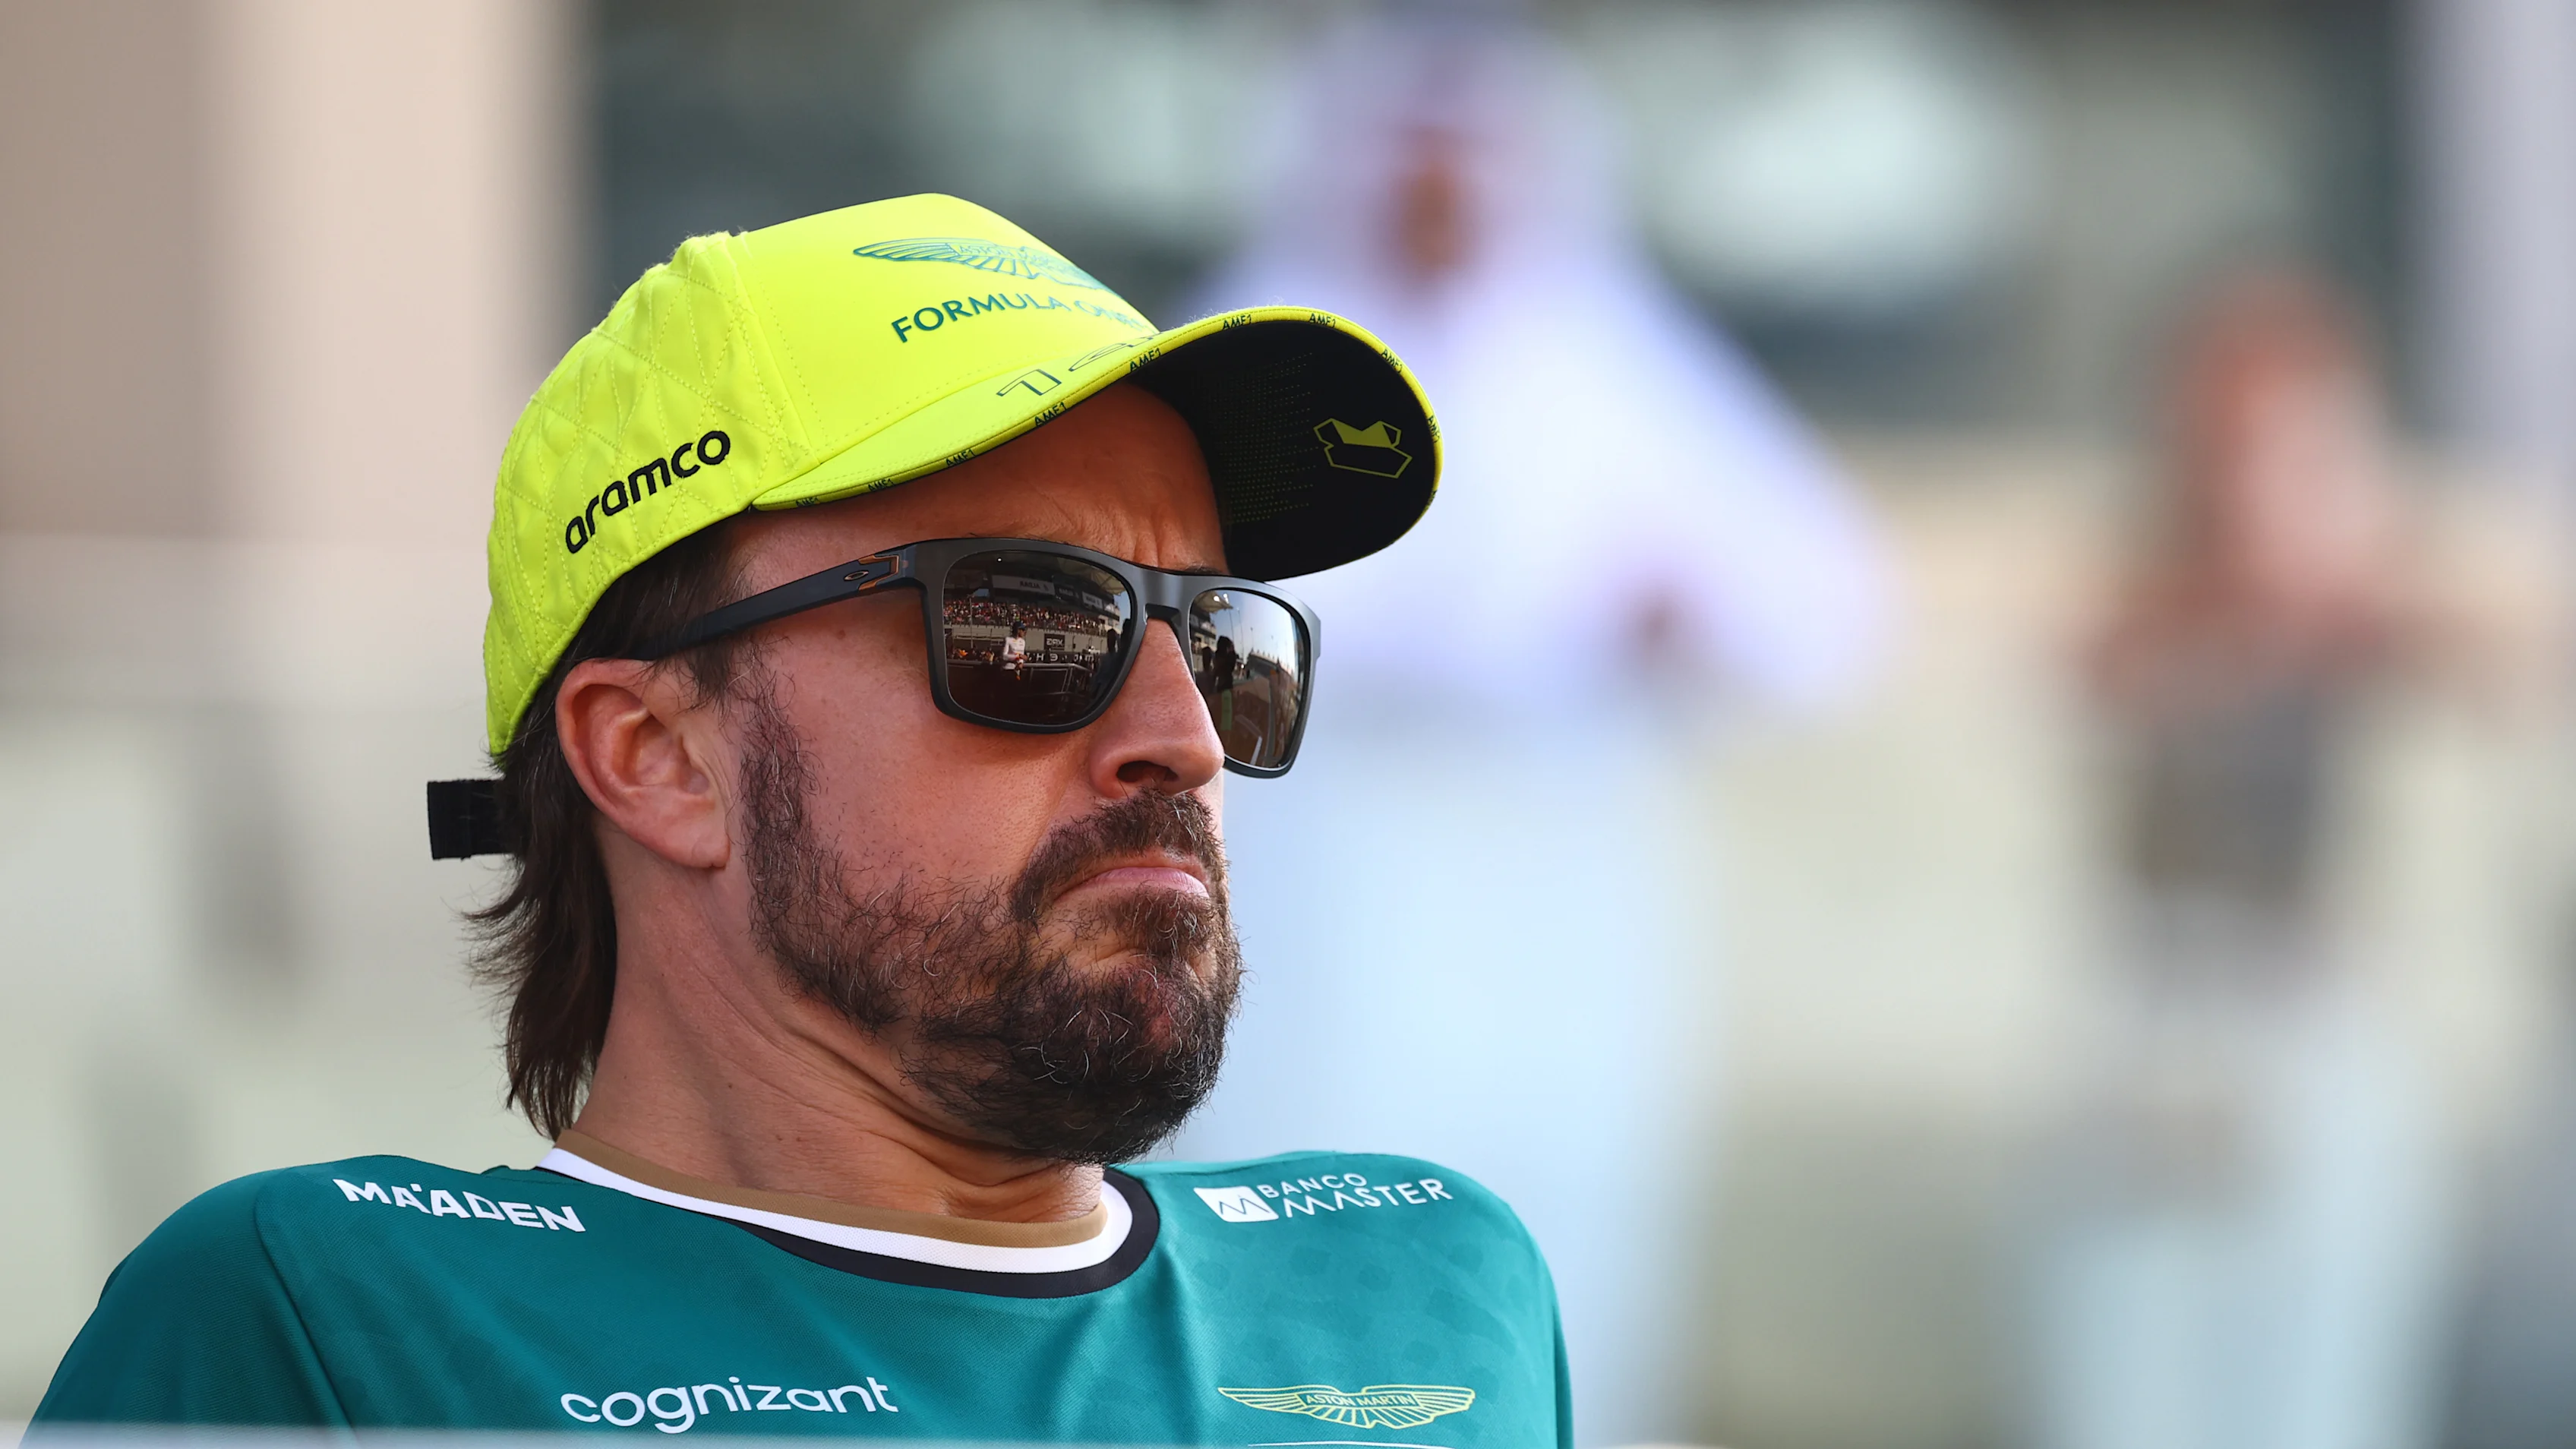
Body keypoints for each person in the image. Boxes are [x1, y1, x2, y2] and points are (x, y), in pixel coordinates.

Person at [33, 194, 1569, 1446]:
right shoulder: (325, 1320)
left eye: (1217, 642)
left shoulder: (1432, 1282)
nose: (1180, 741)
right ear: (654, 758)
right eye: (1029, 625)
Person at [1173, 12, 1886, 1442]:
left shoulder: (1611, 361)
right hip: (1335, 881)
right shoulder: (1260, 351)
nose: (1442, 201)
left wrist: (1691, 617)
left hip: (1562, 892)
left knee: (1559, 1218)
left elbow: (1830, 601)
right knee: (1319, 1203)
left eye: (1473, 165)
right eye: (1411, 164)